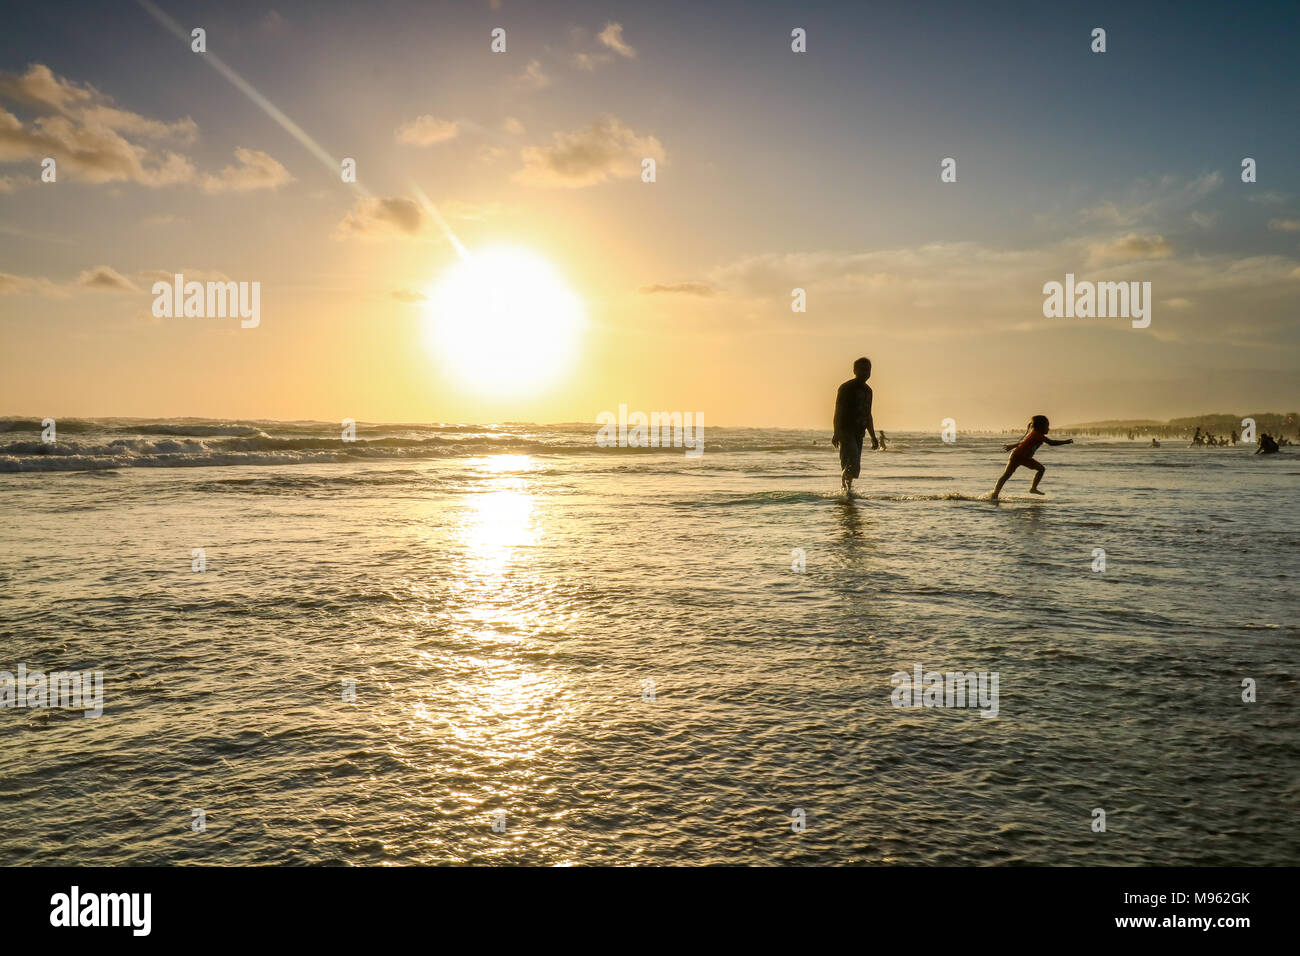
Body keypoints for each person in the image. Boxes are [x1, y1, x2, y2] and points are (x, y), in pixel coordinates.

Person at [991, 415, 1073, 499]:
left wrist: (1013, 446)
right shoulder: (1038, 435)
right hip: (1019, 456)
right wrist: (1066, 442)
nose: (1048, 428)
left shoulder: (1034, 434)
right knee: (1039, 469)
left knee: (1007, 475)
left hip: (1021, 456)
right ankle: (1032, 488)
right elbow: (1052, 443)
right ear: (1040, 427)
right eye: (1047, 426)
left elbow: (1024, 443)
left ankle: (995, 494)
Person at [831, 357, 878, 493]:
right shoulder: (846, 388)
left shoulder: (868, 391)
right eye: (862, 369)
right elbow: (838, 410)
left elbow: (868, 415)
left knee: (854, 465)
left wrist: (873, 437)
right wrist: (836, 432)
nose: (865, 372)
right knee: (851, 462)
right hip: (846, 431)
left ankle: (847, 491)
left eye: (868, 370)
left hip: (859, 432)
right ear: (855, 370)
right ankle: (844, 488)